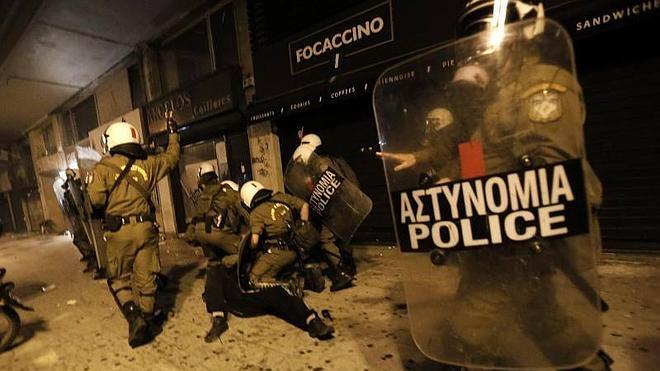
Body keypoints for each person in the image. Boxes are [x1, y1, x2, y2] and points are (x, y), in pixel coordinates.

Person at [86, 114, 179, 348]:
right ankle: (147, 319)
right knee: (146, 278)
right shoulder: (149, 164)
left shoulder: (103, 168)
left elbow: (96, 201)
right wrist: (173, 134)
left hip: (120, 232)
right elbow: (172, 157)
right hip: (146, 229)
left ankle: (135, 319)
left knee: (118, 278)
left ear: (112, 142)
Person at [186, 164, 247, 342]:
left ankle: (218, 316)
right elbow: (243, 210)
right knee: (244, 252)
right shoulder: (226, 191)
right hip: (222, 236)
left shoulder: (199, 198)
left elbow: (191, 232)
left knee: (214, 266)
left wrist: (194, 239)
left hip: (203, 236)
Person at [296, 134, 357, 291]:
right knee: (343, 235)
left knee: (325, 239)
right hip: (346, 203)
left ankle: (341, 272)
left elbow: (318, 188)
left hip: (333, 206)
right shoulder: (334, 159)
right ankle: (349, 266)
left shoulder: (319, 164)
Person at [240, 180, 307, 294]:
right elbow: (304, 205)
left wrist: (249, 247)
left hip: (277, 252)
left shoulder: (256, 212)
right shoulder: (281, 197)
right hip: (296, 249)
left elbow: (255, 242)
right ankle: (292, 274)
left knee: (252, 279)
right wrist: (303, 225)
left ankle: (287, 288)